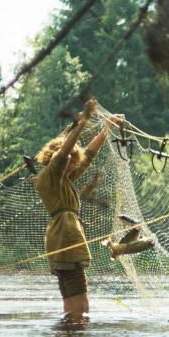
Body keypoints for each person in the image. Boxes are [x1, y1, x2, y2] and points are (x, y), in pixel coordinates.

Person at [34, 98, 123, 320]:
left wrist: (107, 129)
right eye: (71, 161)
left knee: (76, 302)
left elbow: (88, 155)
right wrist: (83, 120)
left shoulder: (65, 180)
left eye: (75, 162)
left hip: (65, 238)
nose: (74, 165)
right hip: (65, 239)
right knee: (80, 306)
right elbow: (64, 153)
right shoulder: (50, 176)